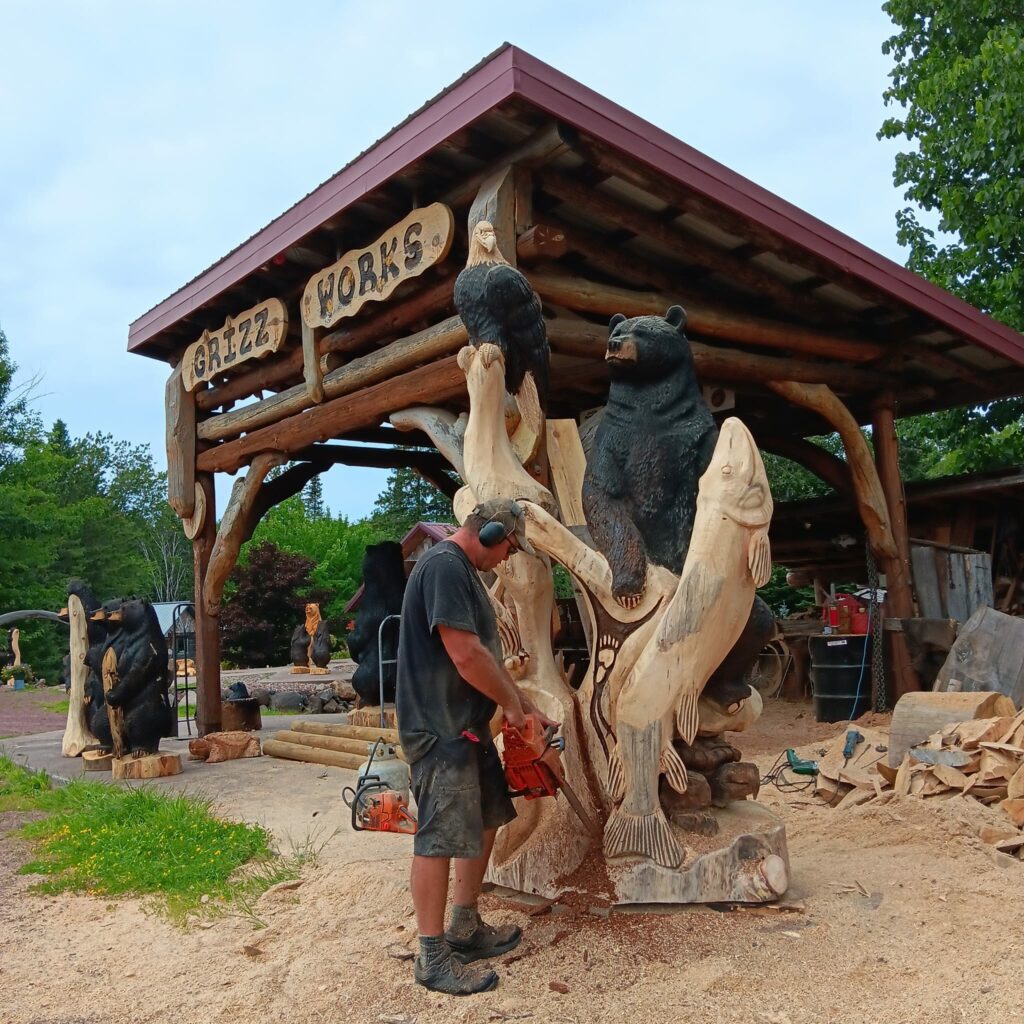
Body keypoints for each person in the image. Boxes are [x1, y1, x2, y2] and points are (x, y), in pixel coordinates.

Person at [396, 497, 556, 995]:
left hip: (466, 725)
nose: (508, 557)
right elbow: (465, 655)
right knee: (438, 837)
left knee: (487, 817)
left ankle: (464, 924)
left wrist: (523, 704)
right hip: (438, 729)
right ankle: (431, 954)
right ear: (488, 534)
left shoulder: (463, 572)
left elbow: (485, 657)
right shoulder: (443, 566)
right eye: (508, 546)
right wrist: (512, 709)